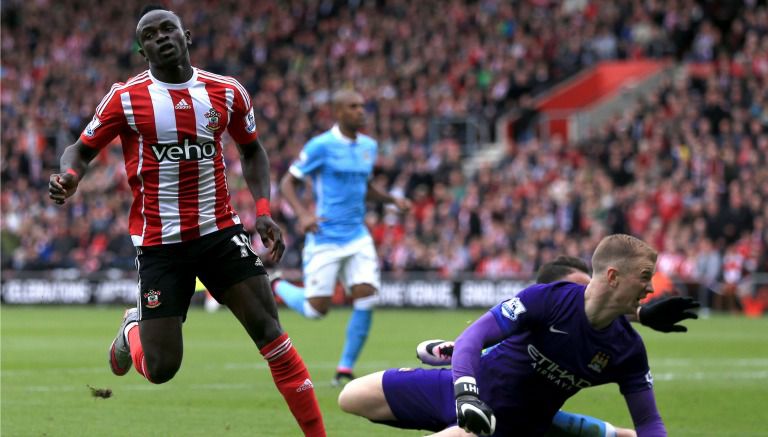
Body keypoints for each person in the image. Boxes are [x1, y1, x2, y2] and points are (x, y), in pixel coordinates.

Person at [47, 7, 325, 436]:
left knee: (271, 334)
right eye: (150, 34)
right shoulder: (125, 98)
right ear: (142, 50)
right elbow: (80, 150)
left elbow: (253, 150)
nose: (160, 37)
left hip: (220, 232)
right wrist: (69, 177)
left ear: (186, 35)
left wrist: (264, 211)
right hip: (160, 244)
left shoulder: (226, 92)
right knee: (161, 369)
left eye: (167, 29)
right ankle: (131, 329)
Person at [338, 234, 670, 436]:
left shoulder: (628, 350)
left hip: (503, 426)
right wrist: (466, 393)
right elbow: (473, 336)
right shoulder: (548, 298)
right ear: (612, 276)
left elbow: (649, 421)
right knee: (350, 397)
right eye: (644, 276)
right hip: (457, 392)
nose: (651, 287)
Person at [416, 255, 699, 437]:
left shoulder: (611, 337)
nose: (584, 295)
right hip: (501, 412)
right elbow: (438, 351)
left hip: (537, 417)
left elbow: (596, 313)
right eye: (575, 289)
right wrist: (454, 353)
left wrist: (640, 314)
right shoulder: (524, 321)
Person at [273, 89, 411, 386]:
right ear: (338, 112)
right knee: (316, 310)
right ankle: (277, 283)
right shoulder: (321, 146)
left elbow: (364, 186)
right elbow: (287, 182)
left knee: (366, 295)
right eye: (353, 107)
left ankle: (345, 368)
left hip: (357, 236)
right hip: (325, 237)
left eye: (363, 106)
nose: (361, 111)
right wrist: (303, 215)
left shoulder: (368, 147)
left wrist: (390, 200)